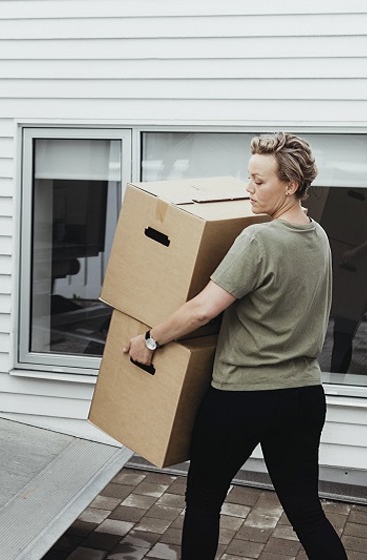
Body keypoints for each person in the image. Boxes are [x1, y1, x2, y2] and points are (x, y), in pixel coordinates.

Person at [125, 132, 347, 559]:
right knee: (305, 511)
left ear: (291, 185)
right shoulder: (318, 236)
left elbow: (201, 311)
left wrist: (149, 339)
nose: (249, 188)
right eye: (249, 178)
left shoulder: (259, 240)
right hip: (302, 396)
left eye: (259, 181)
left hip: (242, 398)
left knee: (204, 503)